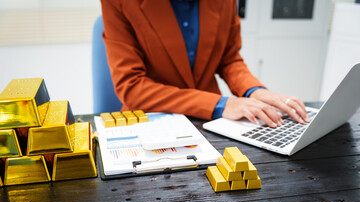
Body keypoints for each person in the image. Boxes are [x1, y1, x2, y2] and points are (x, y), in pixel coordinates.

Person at [101, 0, 309, 127]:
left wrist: (254, 90)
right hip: (151, 118)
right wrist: (220, 104)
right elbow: (132, 86)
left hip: (211, 123)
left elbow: (229, 59)